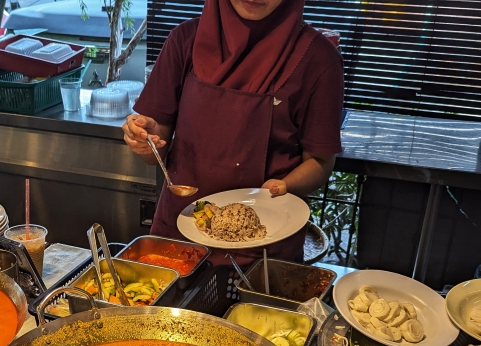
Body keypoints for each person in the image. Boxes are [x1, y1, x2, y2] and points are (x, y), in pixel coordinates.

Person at [123, 0, 343, 265]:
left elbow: (320, 161)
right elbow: (155, 147)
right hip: (179, 239)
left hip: (264, 250)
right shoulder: (184, 40)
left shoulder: (318, 59)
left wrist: (287, 184)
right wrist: (146, 141)